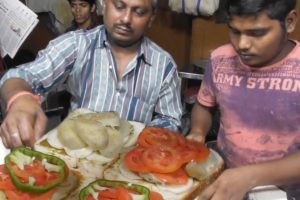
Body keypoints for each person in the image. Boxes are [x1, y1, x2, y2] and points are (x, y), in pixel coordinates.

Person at [0, 0, 182, 150]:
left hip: (131, 170)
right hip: (75, 160)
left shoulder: (164, 66)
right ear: (104, 4)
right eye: (119, 6)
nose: (126, 19)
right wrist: (21, 99)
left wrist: (147, 144)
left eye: (139, 12)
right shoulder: (77, 45)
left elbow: (169, 119)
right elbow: (22, 75)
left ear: (151, 18)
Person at [188, 0, 300, 199]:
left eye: (257, 33)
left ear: (289, 22)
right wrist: (197, 132)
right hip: (225, 180)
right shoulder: (220, 60)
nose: (242, 45)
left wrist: (249, 177)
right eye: (235, 31)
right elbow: (204, 105)